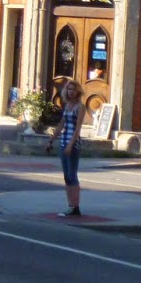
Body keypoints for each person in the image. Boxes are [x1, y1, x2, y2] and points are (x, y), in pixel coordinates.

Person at [57, 78, 85, 216]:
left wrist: (70, 144)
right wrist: (51, 139)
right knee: (66, 176)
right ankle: (70, 205)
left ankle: (75, 206)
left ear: (78, 91)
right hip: (63, 142)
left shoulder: (80, 107)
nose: (71, 92)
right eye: (69, 89)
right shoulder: (67, 106)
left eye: (74, 89)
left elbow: (78, 128)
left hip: (73, 144)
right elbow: (61, 124)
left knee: (72, 175)